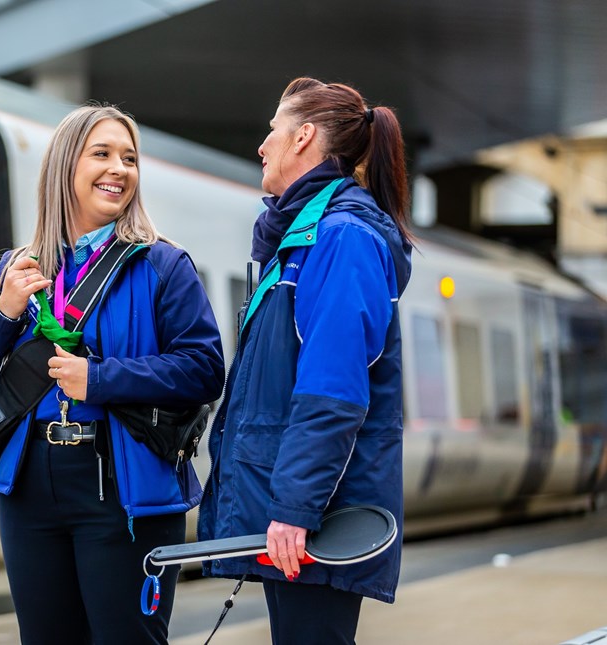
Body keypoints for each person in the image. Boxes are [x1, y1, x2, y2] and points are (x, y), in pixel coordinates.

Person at [0, 105, 225, 645]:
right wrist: (4, 309)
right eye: (101, 154)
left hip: (123, 492)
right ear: (63, 168)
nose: (119, 168)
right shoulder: (19, 269)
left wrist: (98, 379)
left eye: (129, 158)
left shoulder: (163, 266)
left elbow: (204, 368)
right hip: (30, 489)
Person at [197, 78, 414, 645]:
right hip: (299, 511)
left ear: (304, 137)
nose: (263, 146)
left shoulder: (341, 239)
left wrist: (294, 508)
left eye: (273, 131)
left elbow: (333, 392)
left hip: (315, 518)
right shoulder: (303, 240)